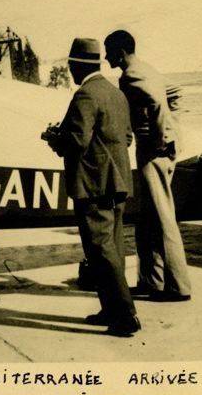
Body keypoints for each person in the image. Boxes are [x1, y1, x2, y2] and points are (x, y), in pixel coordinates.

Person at [43, 38, 140, 337]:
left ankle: (124, 316)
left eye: (71, 65)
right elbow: (126, 138)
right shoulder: (115, 92)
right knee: (113, 249)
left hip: (94, 186)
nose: (70, 71)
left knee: (100, 251)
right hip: (118, 182)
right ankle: (110, 310)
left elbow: (77, 141)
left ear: (77, 66)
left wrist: (54, 139)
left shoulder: (85, 94)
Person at [105, 29, 193, 302]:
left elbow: (156, 103)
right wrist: (175, 132)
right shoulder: (147, 69)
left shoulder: (131, 75)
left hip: (153, 151)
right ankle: (152, 282)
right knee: (148, 219)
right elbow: (175, 93)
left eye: (109, 52)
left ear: (120, 52)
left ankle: (178, 287)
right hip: (158, 149)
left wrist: (160, 139)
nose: (106, 58)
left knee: (162, 218)